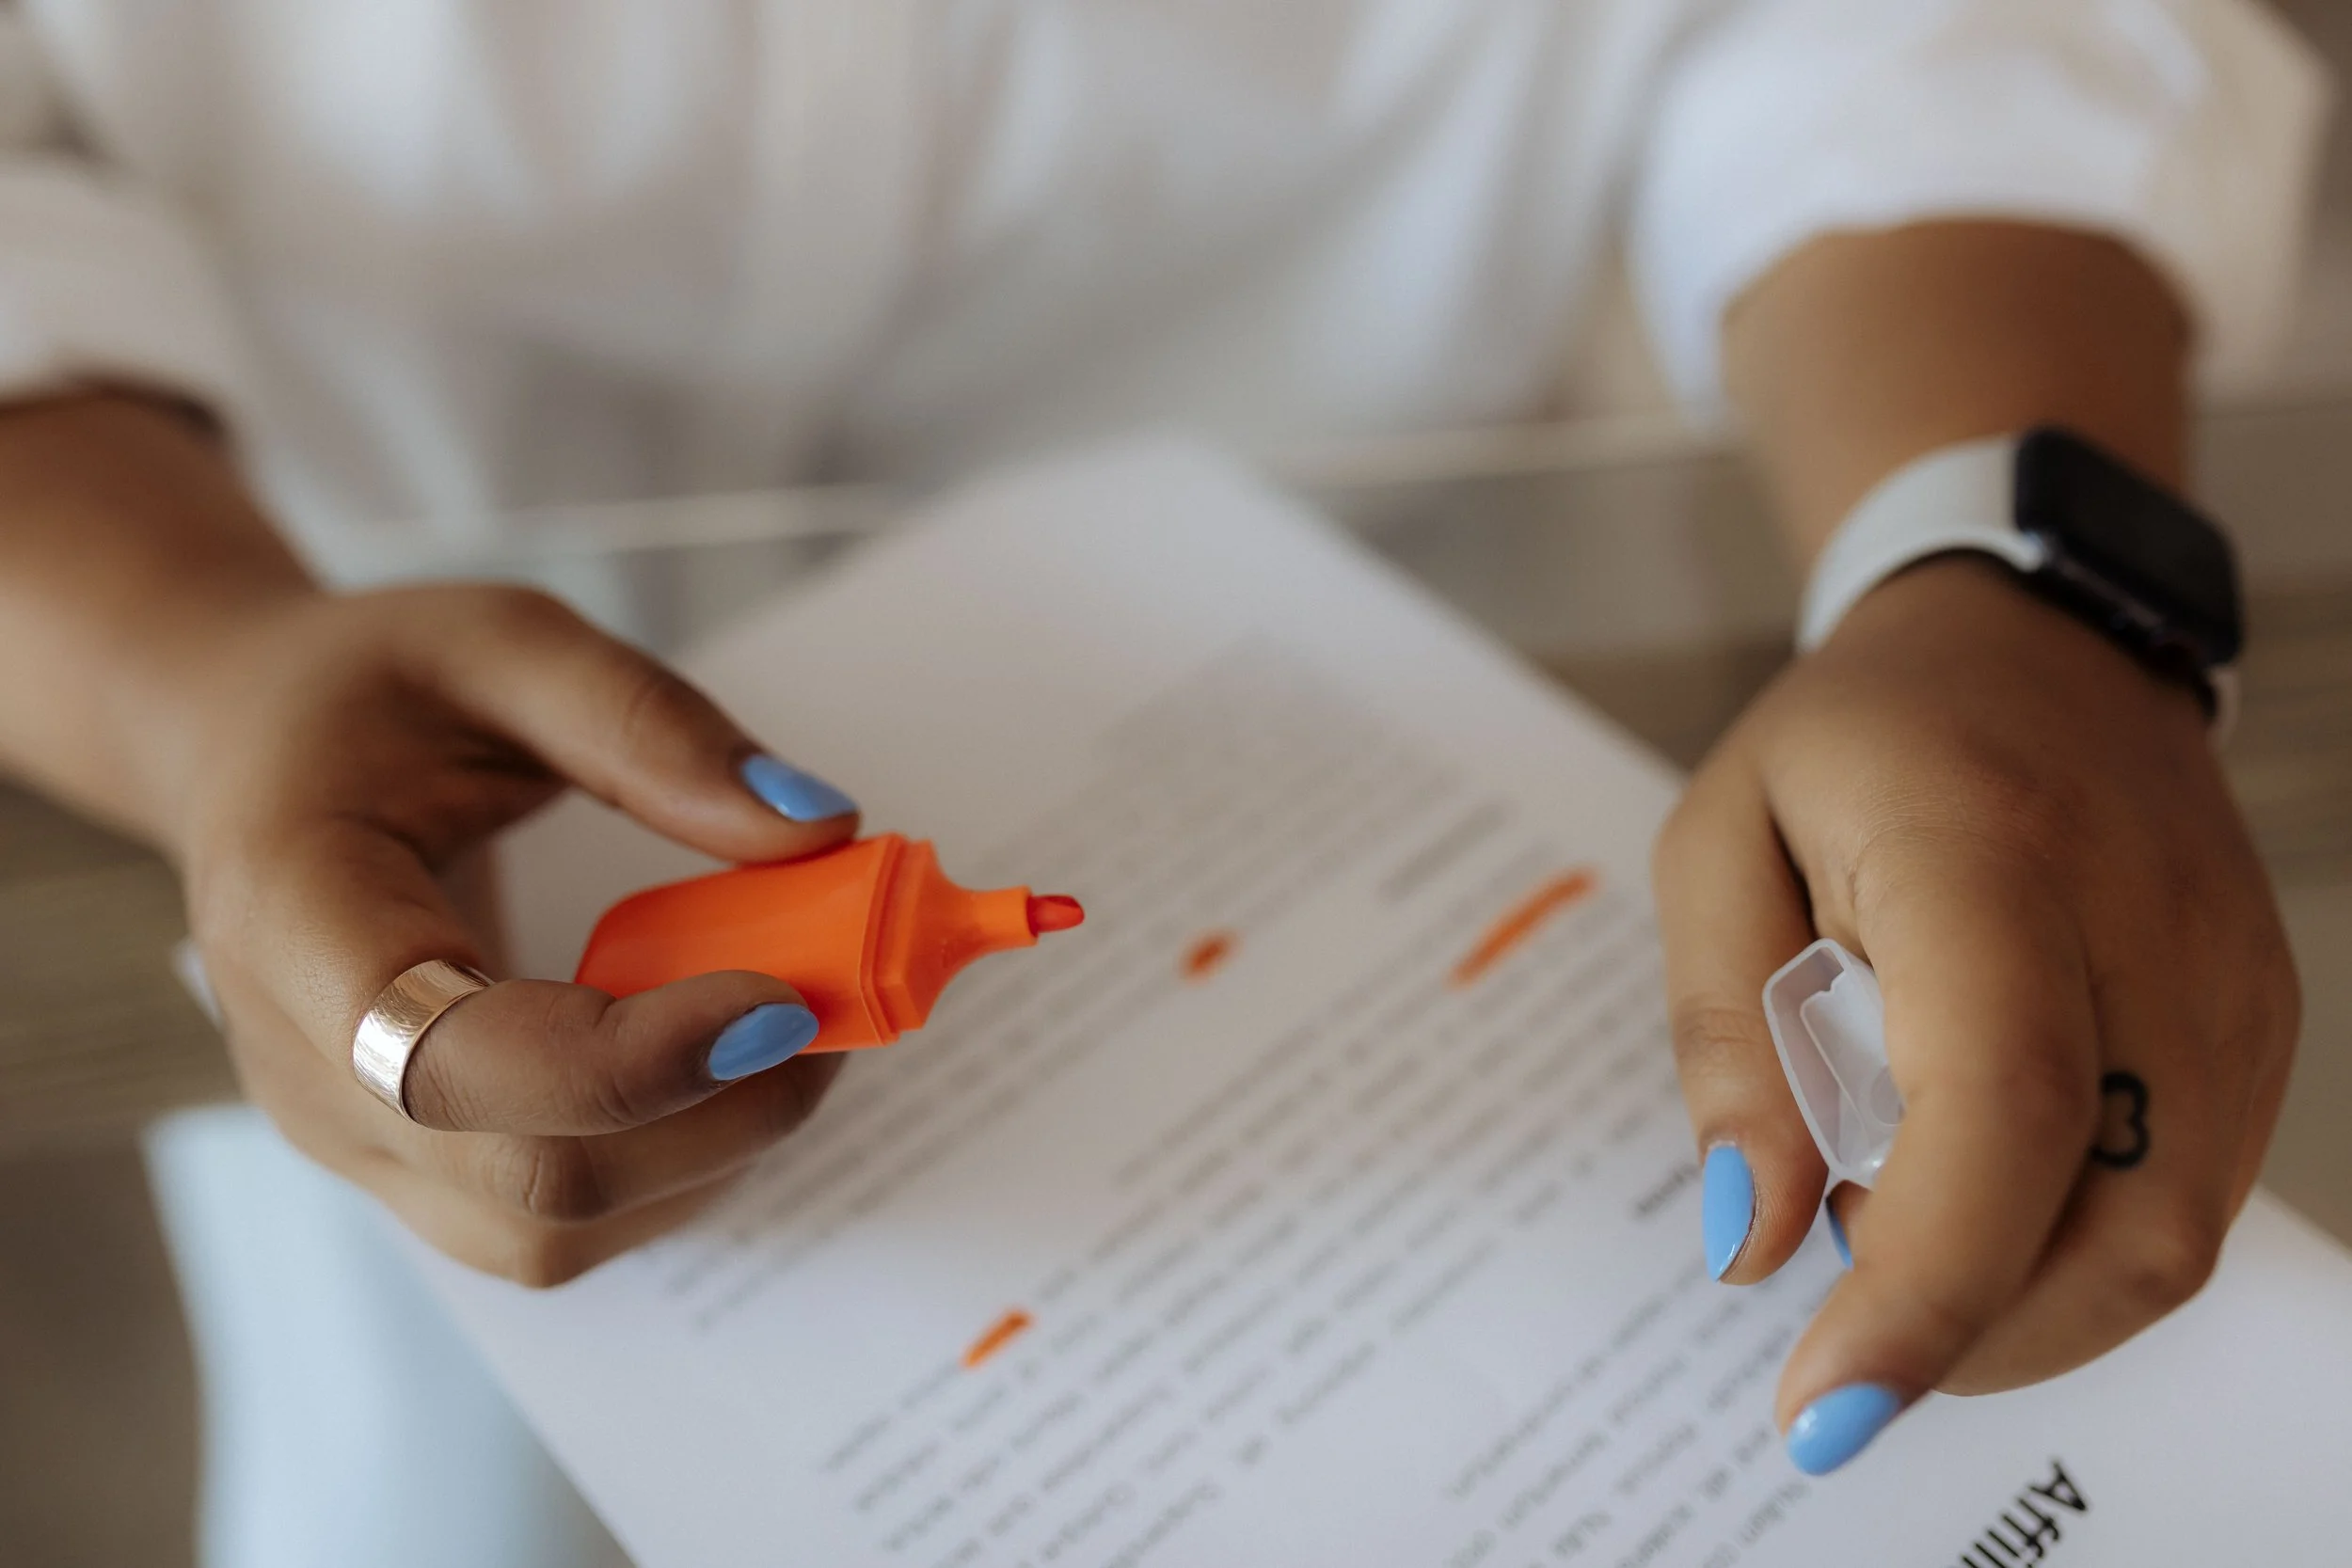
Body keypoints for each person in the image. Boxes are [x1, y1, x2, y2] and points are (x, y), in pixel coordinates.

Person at [0, 0, 2328, 1560]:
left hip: (1402, 711)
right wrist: (211, 688)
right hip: (369, 778)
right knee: (412, 1493)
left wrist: (2005, 569)